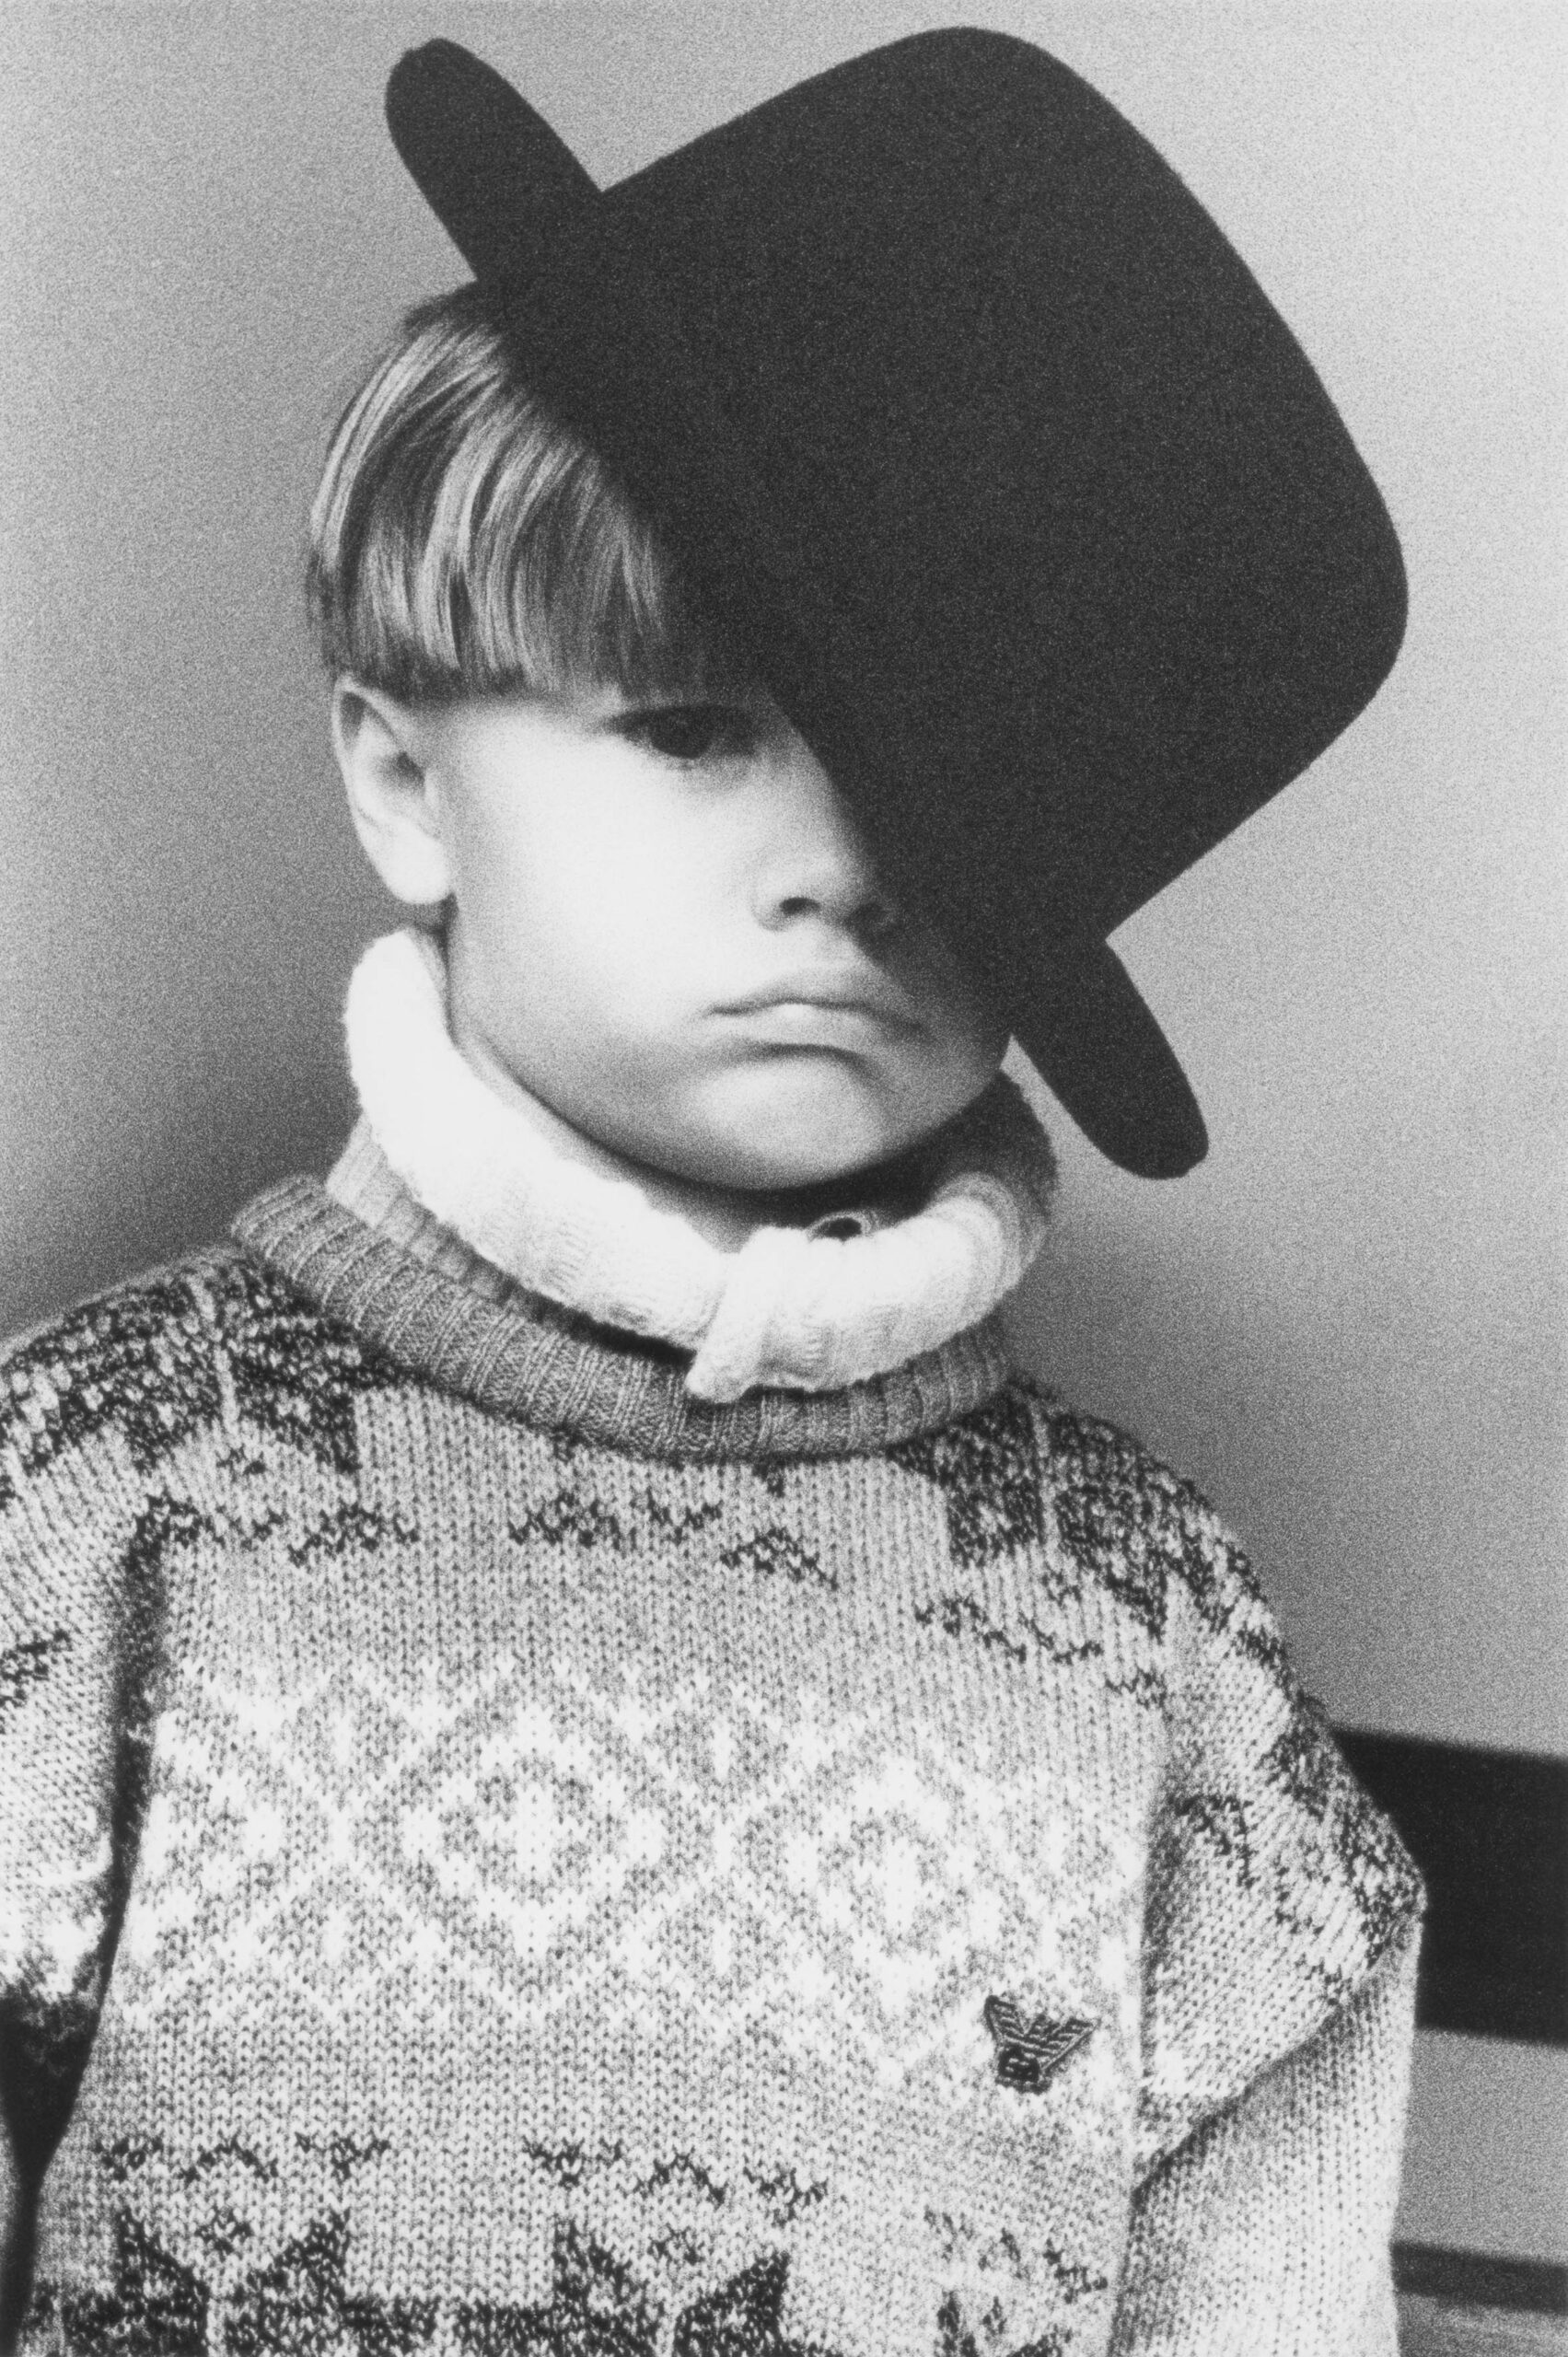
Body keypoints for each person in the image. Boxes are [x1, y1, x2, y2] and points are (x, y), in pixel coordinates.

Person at [0, 30, 1422, 2356]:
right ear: (406, 778)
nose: (841, 867)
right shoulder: (87, 1494)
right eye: (690, 727)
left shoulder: (1149, 1640)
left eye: (958, 791)